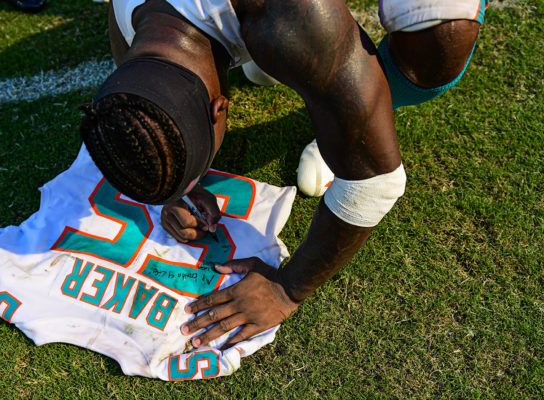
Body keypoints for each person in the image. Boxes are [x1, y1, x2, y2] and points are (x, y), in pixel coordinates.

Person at [79, 0, 487, 350]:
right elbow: (141, 89)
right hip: (268, 26)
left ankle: (357, 113)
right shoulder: (131, 13)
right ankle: (290, 69)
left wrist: (285, 289)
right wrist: (176, 185)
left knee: (440, 40)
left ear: (221, 109)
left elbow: (377, 183)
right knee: (280, 44)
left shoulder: (296, 19)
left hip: (290, 23)